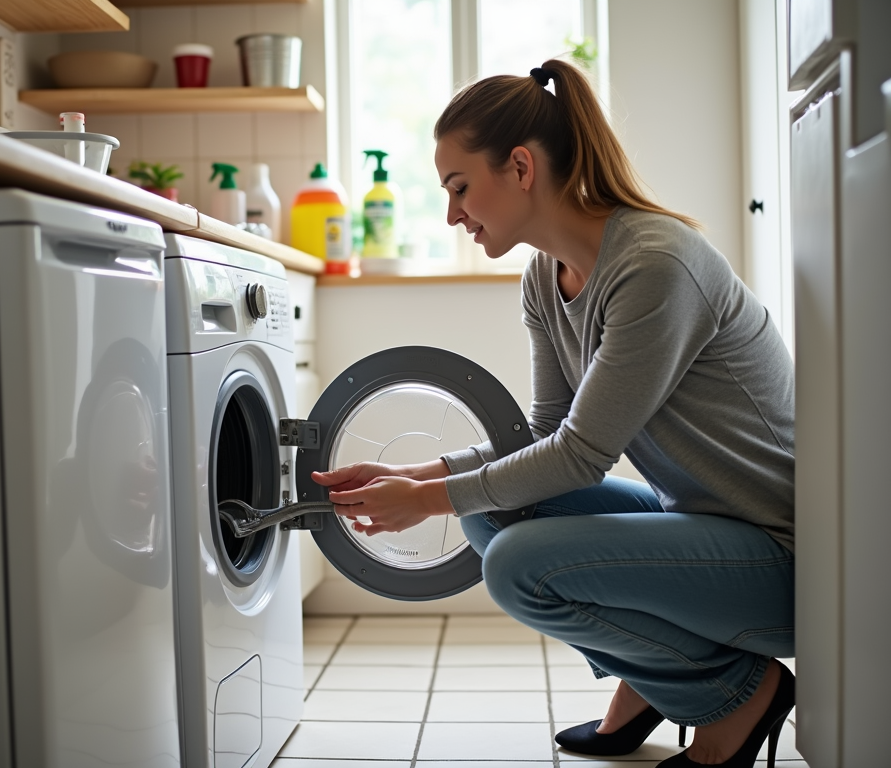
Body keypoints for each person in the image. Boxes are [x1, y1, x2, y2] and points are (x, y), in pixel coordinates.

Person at [312, 56, 796, 768]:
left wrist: (424, 496)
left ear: (519, 167)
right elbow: (541, 439)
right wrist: (412, 475)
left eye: (459, 187)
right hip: (702, 528)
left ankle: (737, 693)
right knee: (489, 512)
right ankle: (653, 677)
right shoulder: (545, 276)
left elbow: (580, 454)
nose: (452, 214)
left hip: (782, 560)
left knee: (515, 565)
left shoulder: (657, 264)